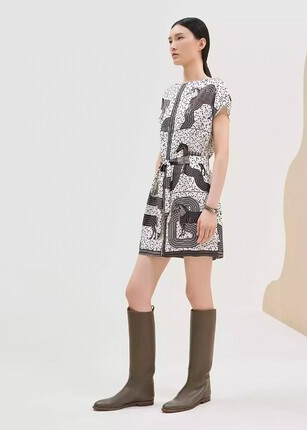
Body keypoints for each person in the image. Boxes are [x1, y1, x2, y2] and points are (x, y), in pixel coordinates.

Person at [93, 16, 232, 414]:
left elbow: (223, 153)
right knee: (136, 291)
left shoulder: (216, 90)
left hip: (196, 197)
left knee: (196, 291)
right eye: (169, 39)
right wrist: (155, 188)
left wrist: (211, 207)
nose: (172, 45)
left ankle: (199, 383)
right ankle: (140, 384)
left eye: (180, 37)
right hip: (162, 198)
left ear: (200, 43)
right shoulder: (169, 94)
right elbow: (164, 147)